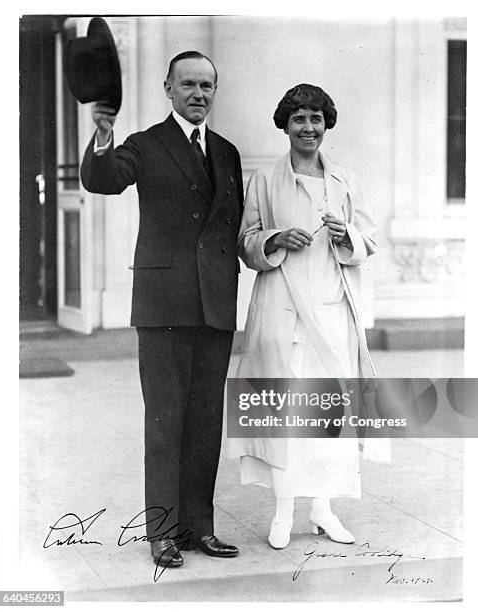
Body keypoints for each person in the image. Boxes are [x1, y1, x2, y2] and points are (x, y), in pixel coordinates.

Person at [81, 51, 243, 568]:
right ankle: (163, 533)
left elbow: (230, 225)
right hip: (163, 306)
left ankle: (200, 528)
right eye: (188, 84)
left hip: (215, 305)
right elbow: (103, 179)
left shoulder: (227, 151)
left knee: (204, 422)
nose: (199, 94)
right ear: (168, 89)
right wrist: (103, 138)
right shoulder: (143, 146)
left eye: (207, 86)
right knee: (166, 420)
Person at [234, 83, 378, 549]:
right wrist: (274, 239)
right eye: (299, 119)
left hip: (333, 318)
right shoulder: (264, 181)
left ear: (326, 124)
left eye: (316, 118)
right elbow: (245, 241)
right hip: (285, 319)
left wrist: (347, 234)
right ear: (285, 125)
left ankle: (323, 510)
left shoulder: (346, 182)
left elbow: (368, 243)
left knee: (328, 422)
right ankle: (281, 513)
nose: (308, 128)